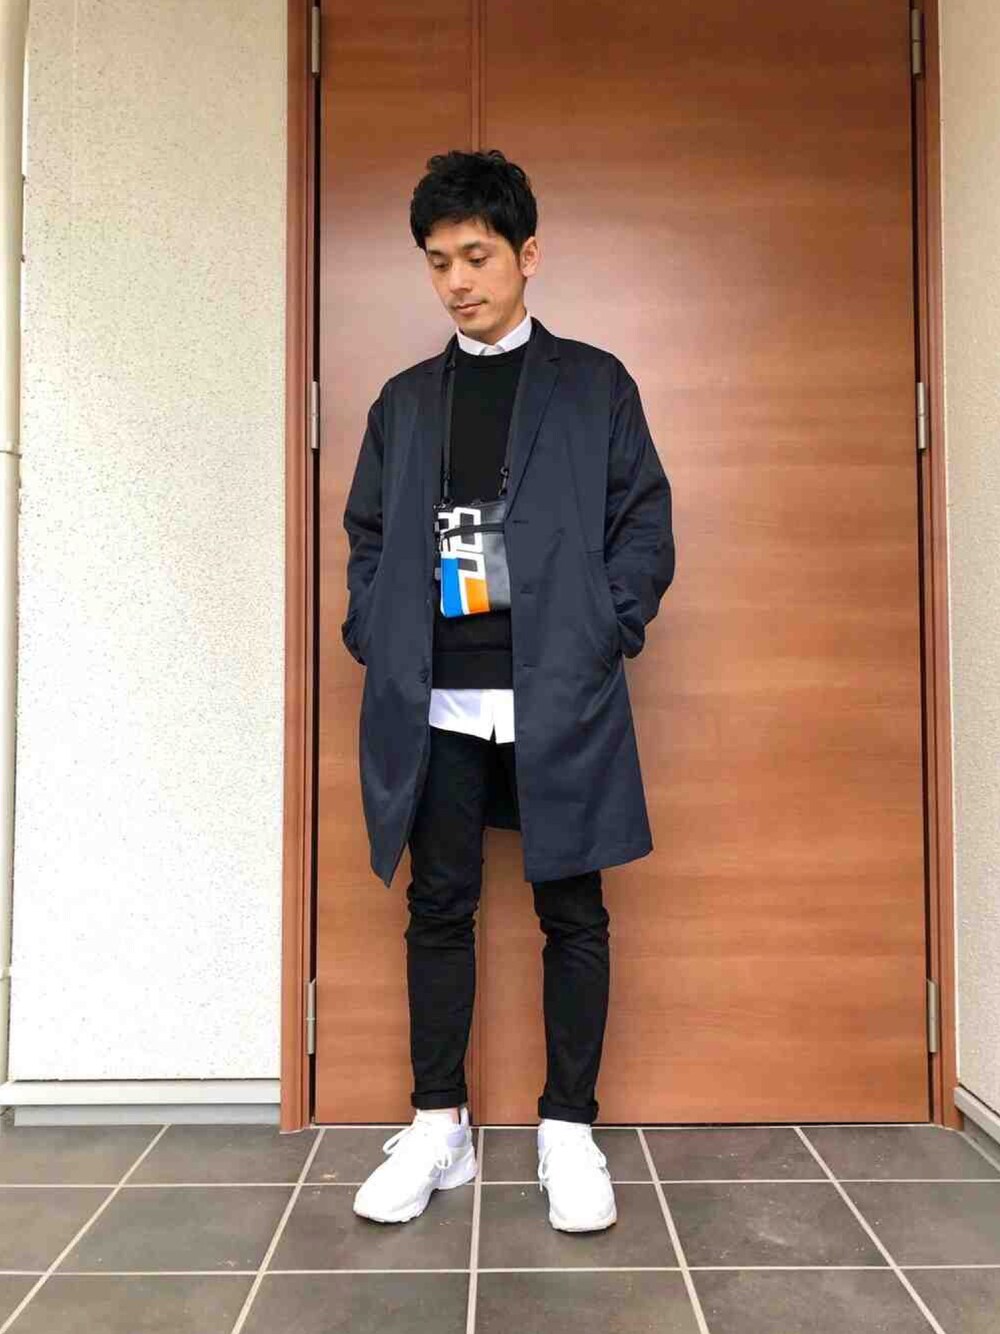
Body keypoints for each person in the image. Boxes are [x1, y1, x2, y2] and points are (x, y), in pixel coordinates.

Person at [343, 149, 675, 1231]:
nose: (457, 280)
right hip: (437, 699)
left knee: (572, 911)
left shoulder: (594, 384)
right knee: (437, 908)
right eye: (438, 261)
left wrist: (604, 628)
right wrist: (375, 629)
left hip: (556, 695)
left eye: (477, 256)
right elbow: (367, 536)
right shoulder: (405, 402)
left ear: (528, 255)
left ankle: (567, 1129)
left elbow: (643, 521)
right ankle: (438, 1125)